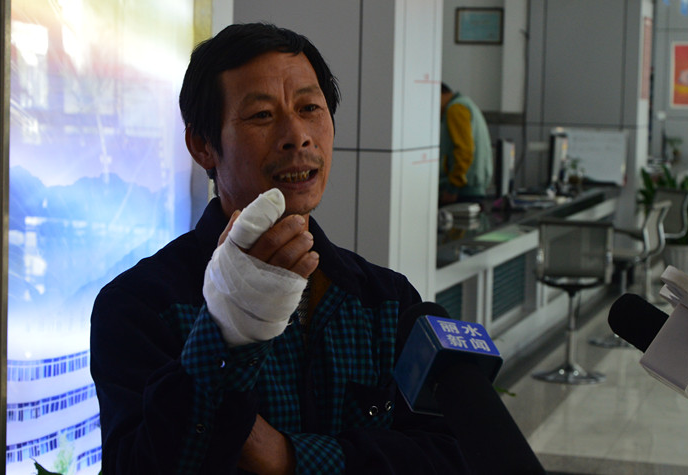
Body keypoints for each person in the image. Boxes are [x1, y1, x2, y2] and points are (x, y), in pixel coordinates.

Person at [90, 23, 470, 474]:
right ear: (202, 146)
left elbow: (453, 455)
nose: (297, 135)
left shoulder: (386, 302)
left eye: (310, 108)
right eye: (261, 115)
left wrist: (290, 458)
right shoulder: (141, 305)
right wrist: (227, 331)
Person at [439, 83, 493, 205]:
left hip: (461, 192)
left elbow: (464, 151)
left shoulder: (455, 109)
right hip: (472, 189)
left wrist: (452, 187)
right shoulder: (467, 104)